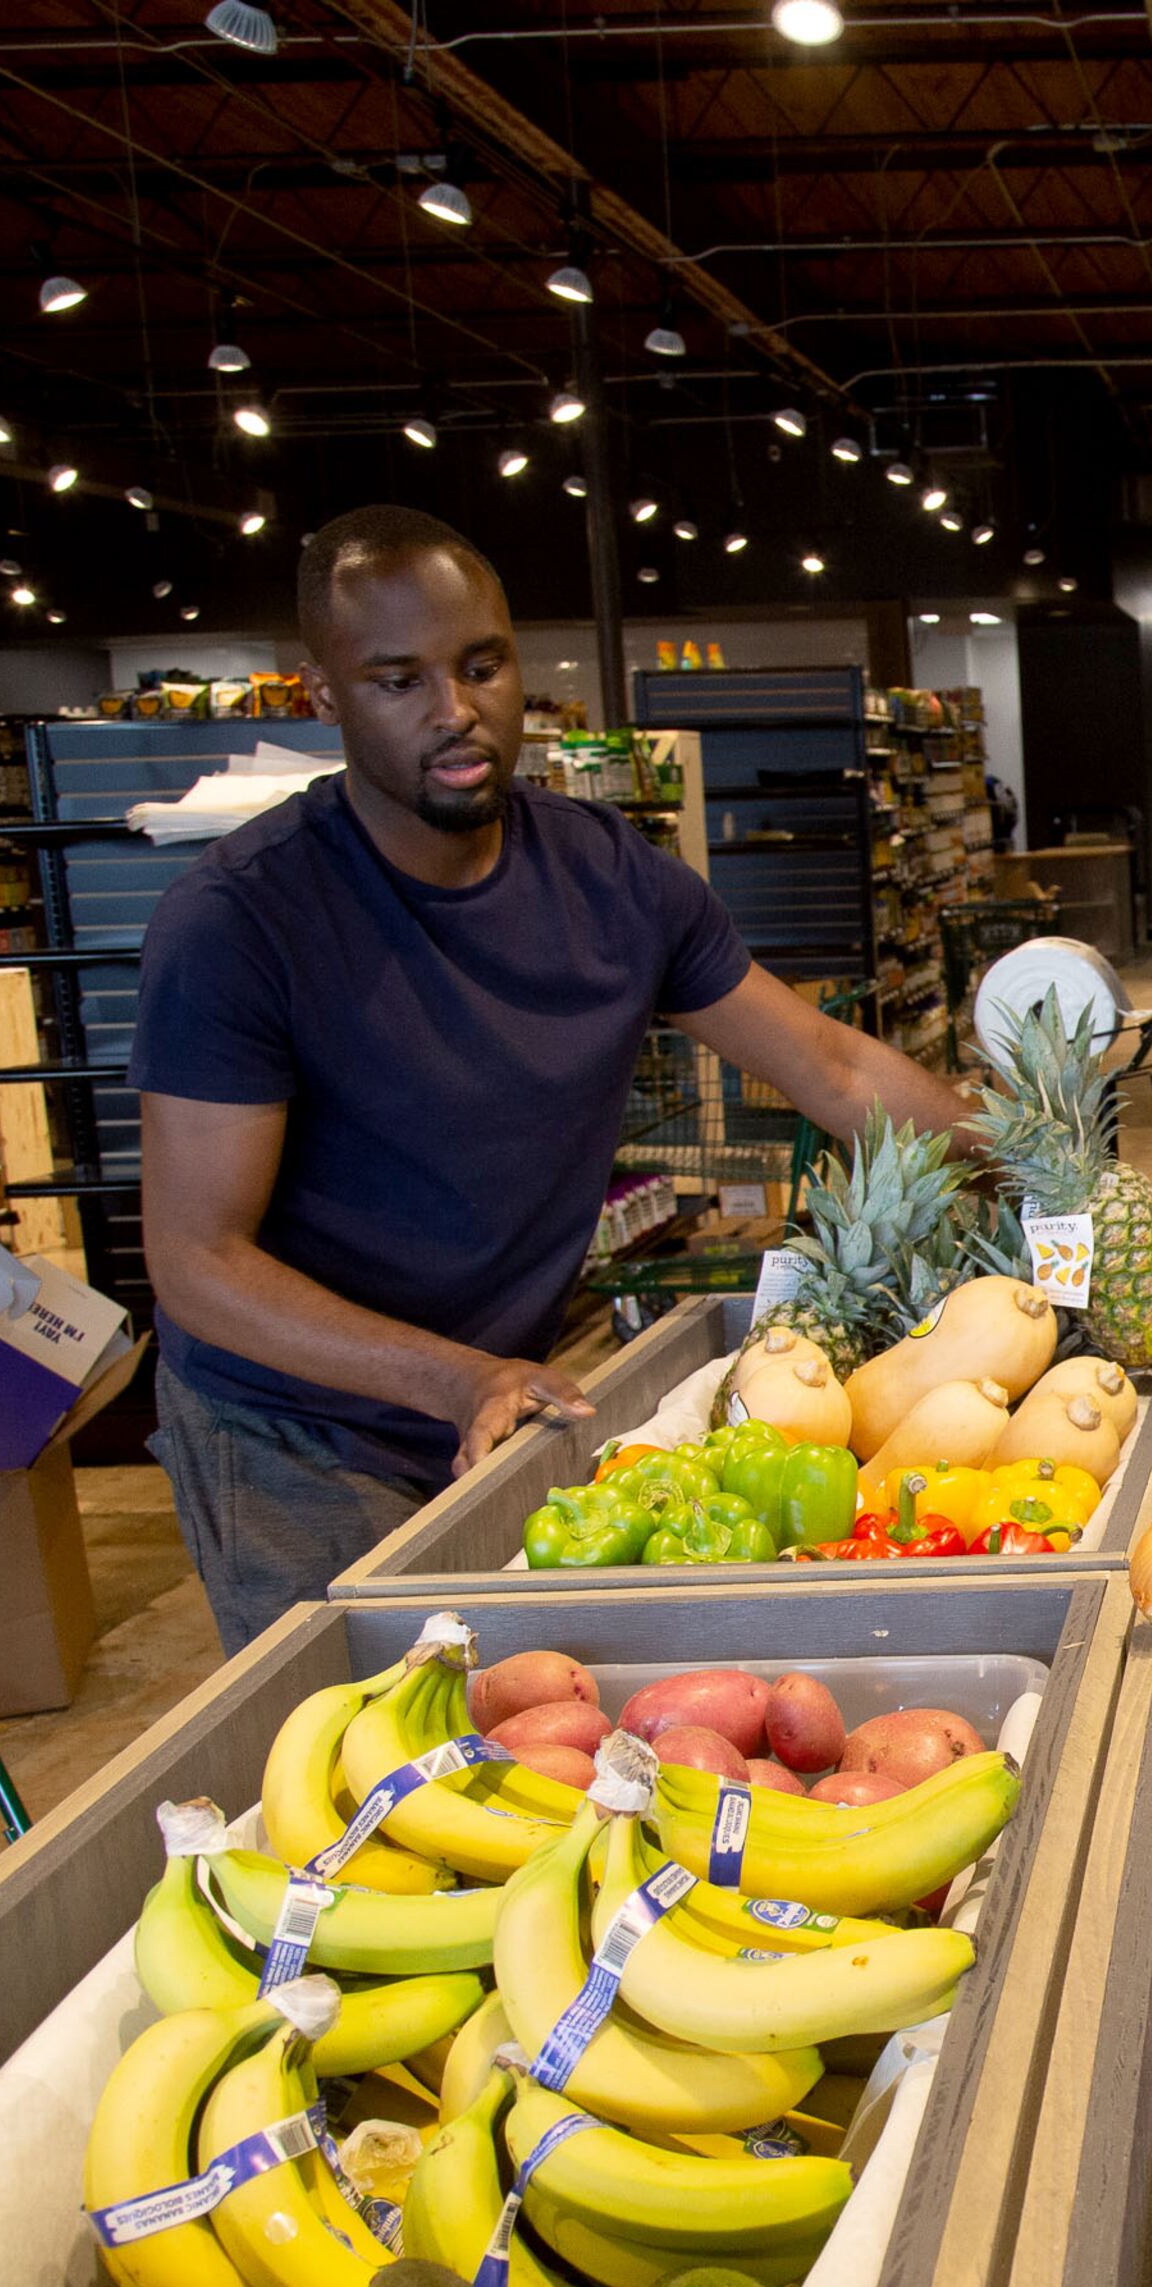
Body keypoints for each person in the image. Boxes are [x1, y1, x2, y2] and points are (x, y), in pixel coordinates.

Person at [133, 504, 968, 1652]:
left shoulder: (609, 876)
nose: (455, 710)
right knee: (373, 1736)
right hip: (296, 1430)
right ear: (322, 695)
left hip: (493, 1390)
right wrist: (453, 1377)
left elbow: (828, 1062)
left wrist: (1048, 1174)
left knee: (523, 1715)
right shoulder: (240, 921)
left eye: (482, 664)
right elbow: (195, 1261)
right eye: (397, 680)